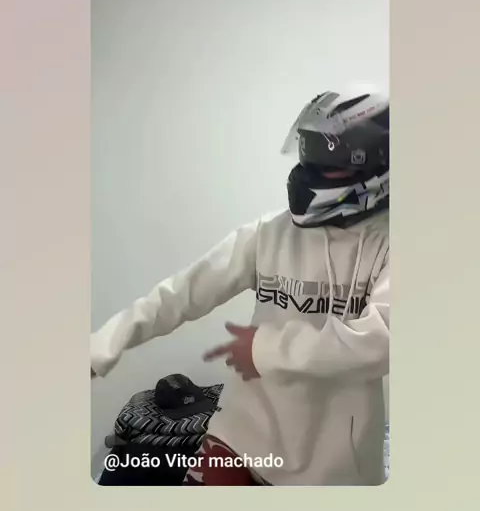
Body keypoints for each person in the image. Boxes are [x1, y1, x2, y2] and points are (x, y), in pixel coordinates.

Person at [91, 89, 390, 486]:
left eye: (327, 158)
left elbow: (382, 340)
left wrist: (262, 349)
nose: (310, 169)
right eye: (309, 153)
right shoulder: (269, 234)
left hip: (334, 462)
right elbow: (183, 292)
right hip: (242, 434)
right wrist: (101, 346)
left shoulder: (389, 245)